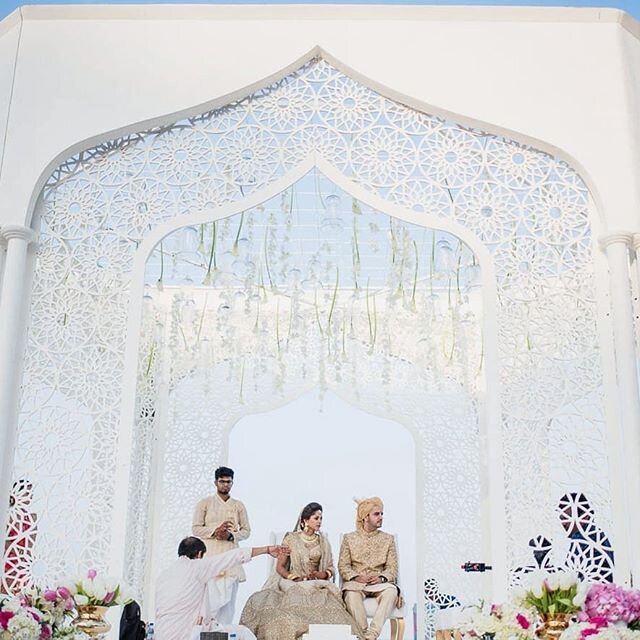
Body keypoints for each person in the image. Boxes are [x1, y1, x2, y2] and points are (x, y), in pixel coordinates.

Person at [240, 502, 364, 640]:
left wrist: (319, 575)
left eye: (321, 518)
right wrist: (294, 577)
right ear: (305, 520)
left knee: (335, 617)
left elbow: (330, 568)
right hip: (292, 583)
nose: (319, 522)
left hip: (317, 585)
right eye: (316, 518)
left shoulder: (323, 541)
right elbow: (280, 567)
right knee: (276, 612)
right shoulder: (291, 539)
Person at [155, 536, 287, 640]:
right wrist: (267, 549)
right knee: (243, 633)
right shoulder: (197, 567)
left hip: (160, 634)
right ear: (199, 554)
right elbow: (234, 556)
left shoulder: (163, 575)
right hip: (189, 635)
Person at [192, 466, 251, 624]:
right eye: (222, 481)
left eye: (229, 482)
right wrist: (215, 531)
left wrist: (231, 535)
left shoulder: (238, 506)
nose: (225, 485)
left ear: (232, 483)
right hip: (211, 558)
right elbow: (196, 529)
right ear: (215, 482)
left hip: (231, 559)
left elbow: (246, 531)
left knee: (228, 608)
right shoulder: (205, 503)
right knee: (207, 607)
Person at [338, 497, 401, 640]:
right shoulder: (349, 538)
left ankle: (371, 635)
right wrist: (356, 577)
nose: (381, 517)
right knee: (351, 595)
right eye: (377, 514)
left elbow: (392, 567)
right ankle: (364, 634)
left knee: (391, 592)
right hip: (356, 583)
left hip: (379, 583)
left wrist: (381, 578)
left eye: (382, 514)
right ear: (365, 517)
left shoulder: (388, 539)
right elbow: (343, 566)